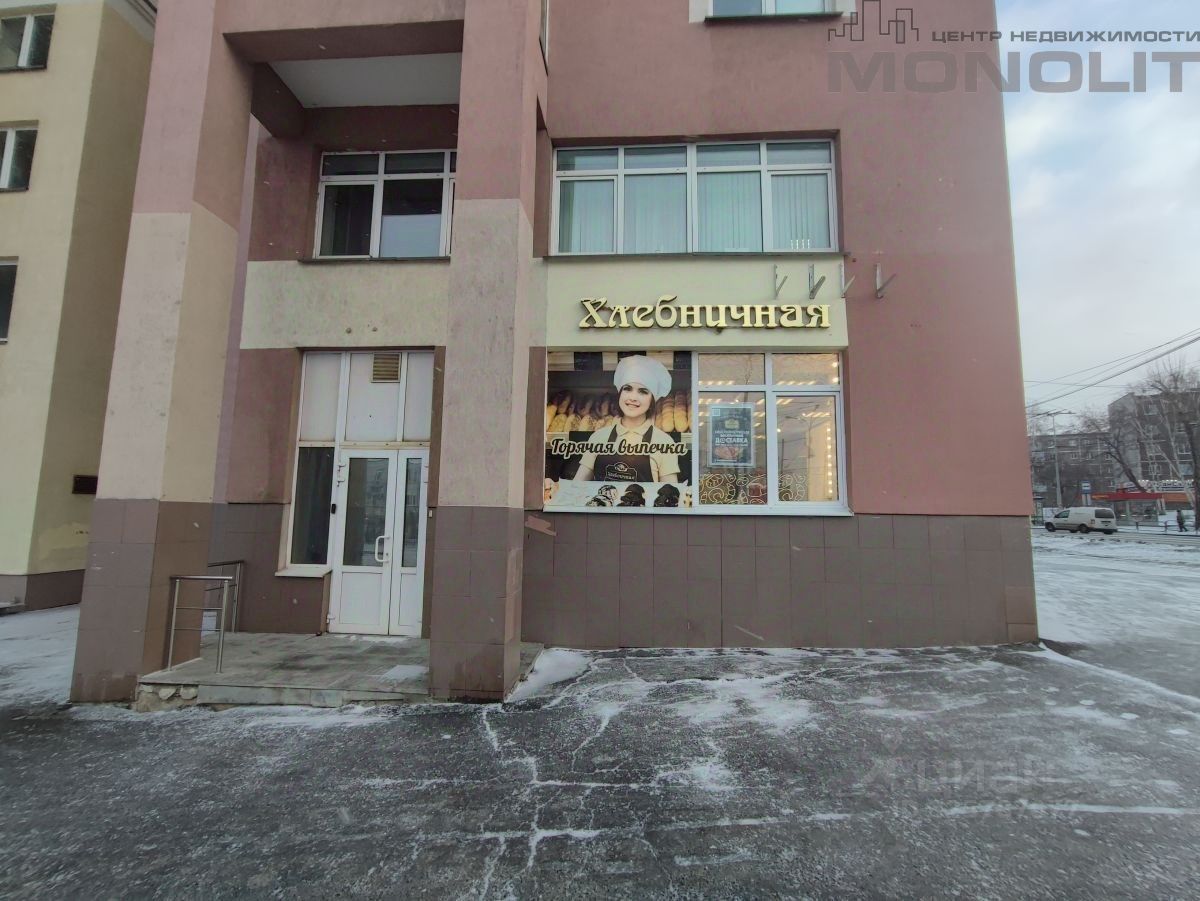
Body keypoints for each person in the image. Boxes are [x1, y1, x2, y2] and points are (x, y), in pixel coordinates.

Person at [573, 355, 681, 484]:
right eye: (627, 389)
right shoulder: (598, 437)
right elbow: (577, 485)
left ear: (652, 400)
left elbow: (670, 491)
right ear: (620, 394)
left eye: (643, 392)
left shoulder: (664, 442)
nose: (633, 398)